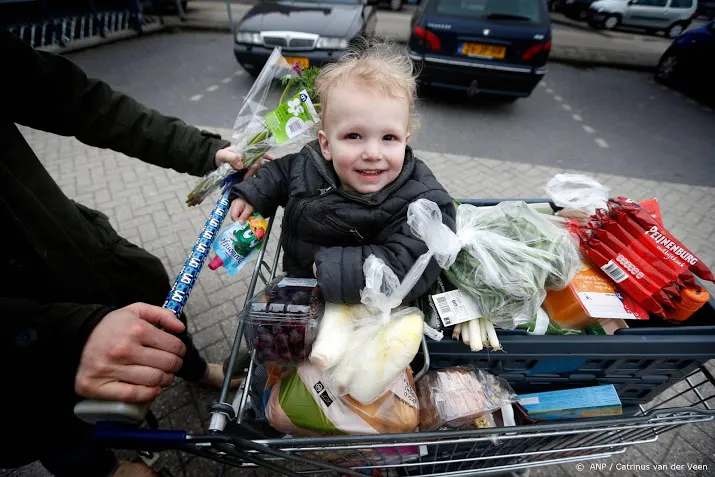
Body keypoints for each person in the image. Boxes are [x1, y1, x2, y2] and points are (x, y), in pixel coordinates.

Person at [0, 27, 266, 476]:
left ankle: (197, 370)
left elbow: (75, 98)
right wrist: (63, 334)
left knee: (151, 297)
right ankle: (101, 466)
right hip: (19, 343)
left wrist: (207, 151)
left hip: (70, 242)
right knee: (47, 411)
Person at [229, 38, 456, 304]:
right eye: (354, 136)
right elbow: (281, 172)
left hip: (363, 311)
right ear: (326, 144)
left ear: (405, 141)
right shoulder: (310, 163)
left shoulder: (422, 202)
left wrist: (331, 270)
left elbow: (408, 265)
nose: (373, 153)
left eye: (388, 138)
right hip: (301, 287)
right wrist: (254, 193)